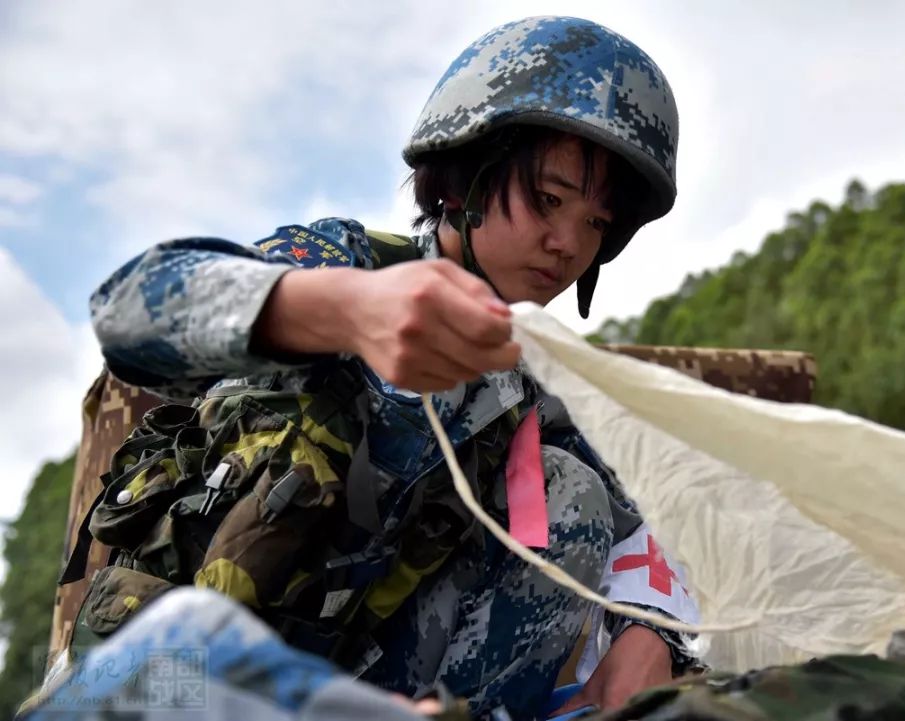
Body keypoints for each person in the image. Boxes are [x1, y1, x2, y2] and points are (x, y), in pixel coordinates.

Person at [84, 16, 697, 720]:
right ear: (462, 181)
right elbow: (129, 308)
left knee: (573, 492)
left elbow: (644, 522)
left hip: (365, 695)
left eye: (595, 224)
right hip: (176, 681)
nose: (566, 243)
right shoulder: (344, 265)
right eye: (549, 200)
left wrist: (652, 632)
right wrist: (338, 308)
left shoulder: (529, 380)